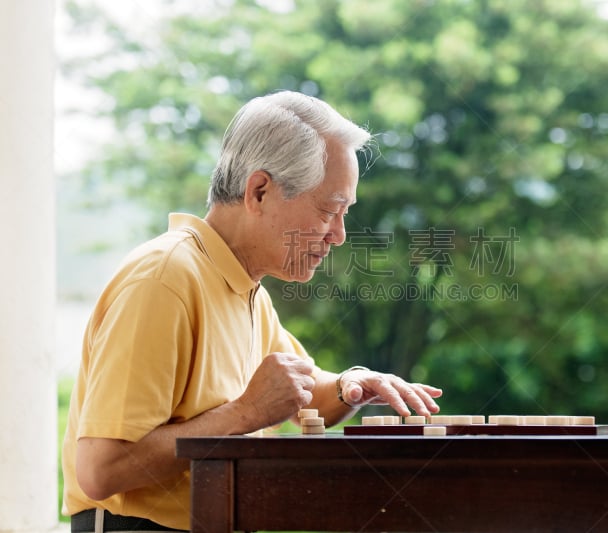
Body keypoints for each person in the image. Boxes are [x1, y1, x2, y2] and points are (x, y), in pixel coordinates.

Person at [62, 90, 443, 532]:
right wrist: (246, 413)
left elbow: (299, 392)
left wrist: (350, 385)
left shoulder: (246, 290)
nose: (338, 235)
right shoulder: (165, 278)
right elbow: (102, 468)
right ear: (259, 191)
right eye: (329, 210)